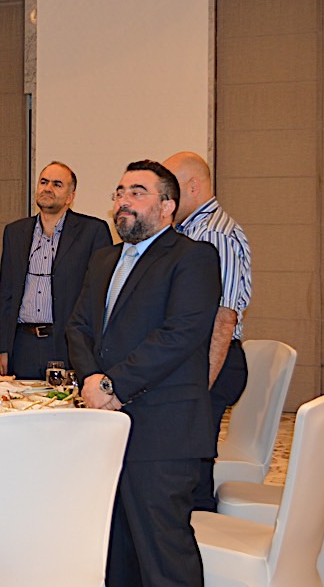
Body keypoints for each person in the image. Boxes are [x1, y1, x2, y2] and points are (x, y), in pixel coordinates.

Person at [67, 160, 221, 587]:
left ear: (167, 205)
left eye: (137, 192)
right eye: (119, 192)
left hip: (163, 432)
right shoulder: (103, 260)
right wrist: (92, 379)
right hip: (105, 427)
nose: (124, 200)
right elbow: (78, 326)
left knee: (163, 558)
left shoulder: (193, 257)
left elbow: (180, 334)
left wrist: (113, 384)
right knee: (114, 552)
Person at [163, 151, 252, 513]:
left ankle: (201, 533)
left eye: (171, 188)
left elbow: (224, 316)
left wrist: (200, 388)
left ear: (194, 187)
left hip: (213, 360)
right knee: (187, 459)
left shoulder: (214, 233)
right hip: (197, 358)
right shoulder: (190, 231)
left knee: (193, 464)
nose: (166, 198)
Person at [0, 161, 112, 379]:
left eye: (57, 184)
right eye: (44, 182)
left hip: (68, 345)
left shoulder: (93, 231)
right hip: (23, 345)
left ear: (70, 197)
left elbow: (100, 296)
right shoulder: (15, 232)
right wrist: (4, 348)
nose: (48, 188)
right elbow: (6, 294)